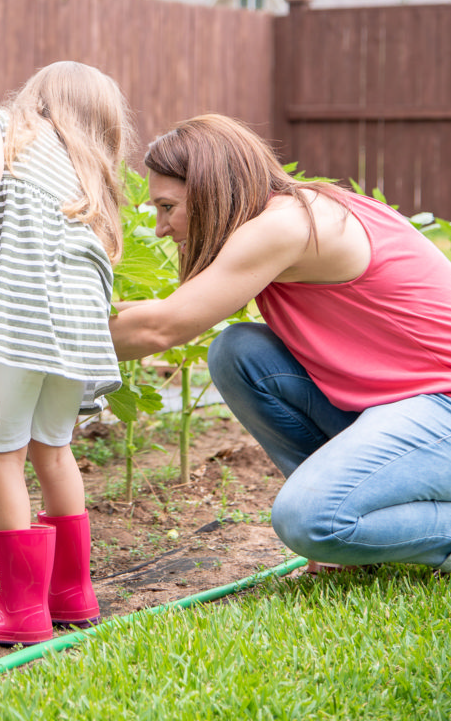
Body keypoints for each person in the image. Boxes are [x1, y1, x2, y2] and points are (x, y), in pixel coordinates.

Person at [109, 113, 451, 576]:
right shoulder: (286, 212)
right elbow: (169, 309)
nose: (160, 228)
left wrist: (34, 343)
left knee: (307, 521)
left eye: (167, 207)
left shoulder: (286, 226)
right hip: (403, 406)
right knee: (239, 352)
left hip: (439, 407)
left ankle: (336, 523)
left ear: (213, 192)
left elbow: (160, 329)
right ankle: (351, 529)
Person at [0, 61, 134, 645]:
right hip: (76, 334)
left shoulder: (1, 125)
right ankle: (71, 596)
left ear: (37, 97)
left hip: (18, 322)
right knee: (54, 452)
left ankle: (21, 612)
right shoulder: (88, 174)